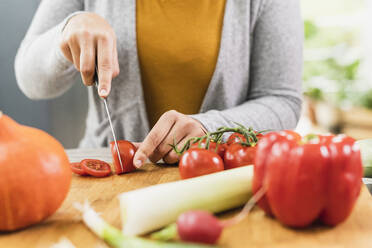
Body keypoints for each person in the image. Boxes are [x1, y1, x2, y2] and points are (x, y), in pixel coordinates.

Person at [15, 0, 303, 168]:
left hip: (217, 176)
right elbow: (31, 81)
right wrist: (66, 32)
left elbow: (281, 99)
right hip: (107, 172)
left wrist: (211, 128)